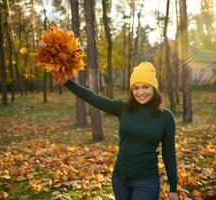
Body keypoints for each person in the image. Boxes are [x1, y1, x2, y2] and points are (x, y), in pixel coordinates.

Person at [61, 62, 179, 200]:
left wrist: (173, 188)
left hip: (146, 182)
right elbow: (93, 98)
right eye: (136, 88)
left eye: (145, 87)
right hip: (120, 178)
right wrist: (67, 82)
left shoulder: (166, 117)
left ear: (154, 88)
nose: (140, 92)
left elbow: (169, 153)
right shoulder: (123, 108)